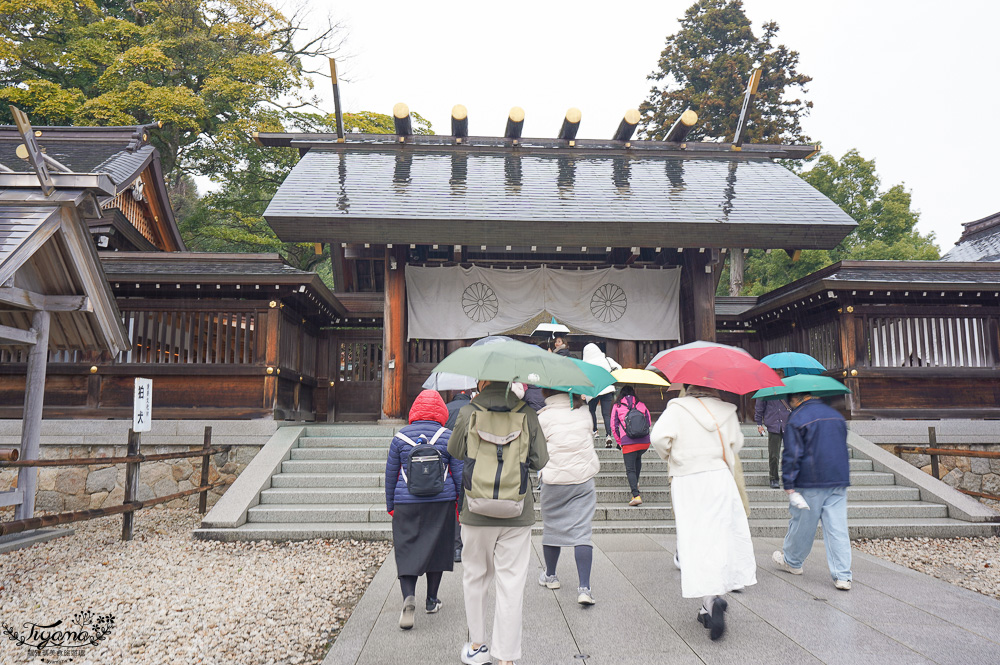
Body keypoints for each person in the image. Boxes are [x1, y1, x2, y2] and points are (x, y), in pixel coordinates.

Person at [448, 380, 549, 665]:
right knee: (511, 583)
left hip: (475, 510)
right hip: (516, 511)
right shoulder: (527, 413)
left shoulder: (468, 411)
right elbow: (540, 460)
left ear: (482, 382)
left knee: (475, 576)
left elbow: (454, 450)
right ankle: (506, 657)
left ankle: (478, 645)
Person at [650, 385, 757, 641]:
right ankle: (711, 601)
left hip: (688, 479)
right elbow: (736, 443)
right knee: (718, 536)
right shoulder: (727, 410)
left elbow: (658, 438)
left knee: (695, 539)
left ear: (690, 388)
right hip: (719, 477)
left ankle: (710, 601)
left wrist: (672, 455)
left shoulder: (677, 409)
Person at [384, 390, 463, 630]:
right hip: (442, 502)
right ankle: (431, 600)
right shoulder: (448, 436)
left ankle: (409, 596)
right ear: (441, 412)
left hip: (406, 502)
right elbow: (458, 473)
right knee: (437, 550)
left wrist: (391, 505)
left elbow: (390, 475)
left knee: (407, 550)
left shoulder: (400, 437)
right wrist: (459, 503)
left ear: (414, 411)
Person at [772, 391, 853, 591]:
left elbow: (792, 453)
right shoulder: (836, 415)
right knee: (837, 528)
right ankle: (843, 575)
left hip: (811, 479)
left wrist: (788, 482)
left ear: (795, 398)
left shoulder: (797, 418)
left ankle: (792, 561)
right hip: (838, 478)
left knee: (803, 525)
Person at [535, 388, 600, 605]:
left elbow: (536, 449)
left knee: (552, 526)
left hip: (554, 479)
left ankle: (551, 576)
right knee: (582, 532)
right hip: (583, 478)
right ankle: (585, 588)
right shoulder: (584, 413)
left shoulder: (543, 417)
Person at [610, 385, 652, 506]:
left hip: (628, 442)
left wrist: (620, 441)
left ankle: (636, 495)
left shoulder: (617, 406)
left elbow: (613, 426)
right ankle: (636, 483)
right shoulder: (641, 404)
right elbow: (648, 422)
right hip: (644, 442)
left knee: (630, 469)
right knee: (637, 458)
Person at [445, 390, 474, 563]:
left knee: (455, 503)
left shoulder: (446, 409)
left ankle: (456, 547)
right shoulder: (473, 408)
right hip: (470, 458)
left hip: (451, 457)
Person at [754, 369, 790, 489]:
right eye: (777, 374)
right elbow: (759, 407)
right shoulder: (765, 389)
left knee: (791, 453)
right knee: (774, 454)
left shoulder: (789, 388)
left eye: (781, 374)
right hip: (774, 425)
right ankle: (774, 478)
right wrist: (759, 423)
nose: (779, 377)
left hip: (788, 424)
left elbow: (795, 405)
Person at [581, 343, 622, 448]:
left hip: (593, 390)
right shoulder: (606, 360)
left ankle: (595, 431)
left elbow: (583, 380)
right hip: (607, 388)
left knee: (592, 410)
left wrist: (583, 392)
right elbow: (619, 368)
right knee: (606, 414)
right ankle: (608, 435)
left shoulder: (586, 364)